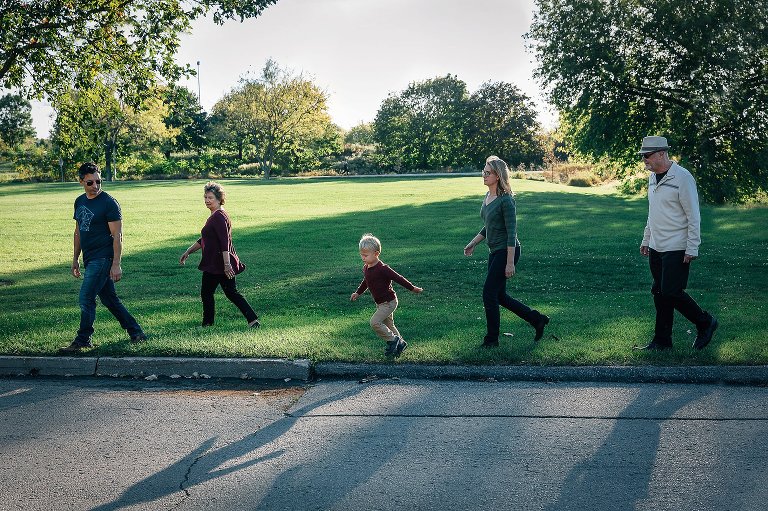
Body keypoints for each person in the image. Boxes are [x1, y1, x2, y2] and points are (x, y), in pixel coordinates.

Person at [636, 136, 718, 351]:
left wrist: (692, 246)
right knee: (660, 292)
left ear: (662, 153)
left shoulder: (682, 177)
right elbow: (652, 213)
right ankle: (662, 341)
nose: (644, 160)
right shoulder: (653, 178)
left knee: (671, 291)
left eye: (648, 155)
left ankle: (705, 322)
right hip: (656, 246)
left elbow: (693, 216)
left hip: (677, 246)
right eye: (643, 156)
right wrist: (647, 239)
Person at [59, 162, 146, 353]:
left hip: (103, 258)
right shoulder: (79, 201)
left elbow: (118, 235)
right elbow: (78, 232)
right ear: (81, 181)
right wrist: (75, 258)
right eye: (90, 183)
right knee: (110, 300)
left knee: (86, 297)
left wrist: (116, 264)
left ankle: (83, 339)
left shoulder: (109, 202)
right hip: (89, 258)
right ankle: (136, 332)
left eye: (98, 182)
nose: (96, 186)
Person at [464, 155, 549, 347]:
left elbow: (512, 233)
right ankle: (537, 319)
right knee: (499, 296)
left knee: (489, 294)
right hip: (495, 251)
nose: (484, 176)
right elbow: (490, 226)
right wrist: (473, 243)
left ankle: (491, 340)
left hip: (507, 251)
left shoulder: (506, 201)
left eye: (487, 173)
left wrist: (510, 262)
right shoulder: (488, 197)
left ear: (498, 175)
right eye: (483, 172)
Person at [179, 181, 259, 328]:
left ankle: (208, 324)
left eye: (210, 198)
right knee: (230, 293)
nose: (207, 201)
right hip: (217, 263)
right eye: (205, 197)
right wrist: (188, 251)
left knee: (208, 293)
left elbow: (225, 242)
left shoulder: (219, 217)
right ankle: (253, 321)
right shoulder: (215, 216)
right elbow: (204, 239)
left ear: (219, 199)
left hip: (218, 264)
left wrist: (227, 265)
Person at [350, 233, 423, 357]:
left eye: (366, 255)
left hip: (389, 302)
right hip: (380, 303)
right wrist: (358, 292)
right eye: (361, 254)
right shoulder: (366, 267)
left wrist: (412, 288)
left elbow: (398, 278)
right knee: (389, 325)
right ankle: (401, 343)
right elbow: (366, 281)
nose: (363, 257)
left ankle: (393, 340)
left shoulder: (383, 268)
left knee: (374, 322)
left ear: (376, 254)